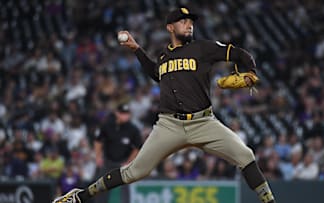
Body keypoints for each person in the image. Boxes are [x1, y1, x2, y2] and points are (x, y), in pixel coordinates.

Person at [52, 7, 276, 203]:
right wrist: (137, 50)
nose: (189, 25)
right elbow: (156, 74)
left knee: (245, 156)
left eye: (190, 22)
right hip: (169, 125)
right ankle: (78, 197)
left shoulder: (203, 48)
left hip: (204, 122)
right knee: (134, 172)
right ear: (170, 27)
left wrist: (251, 71)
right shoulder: (163, 57)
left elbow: (240, 54)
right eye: (183, 22)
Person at [93, 103, 142, 203]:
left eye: (127, 113)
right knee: (101, 189)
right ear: (117, 113)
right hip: (108, 162)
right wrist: (98, 157)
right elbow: (98, 141)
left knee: (125, 192)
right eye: (123, 113)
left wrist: (129, 161)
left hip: (123, 165)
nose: (125, 116)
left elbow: (137, 147)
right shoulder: (107, 125)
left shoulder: (133, 129)